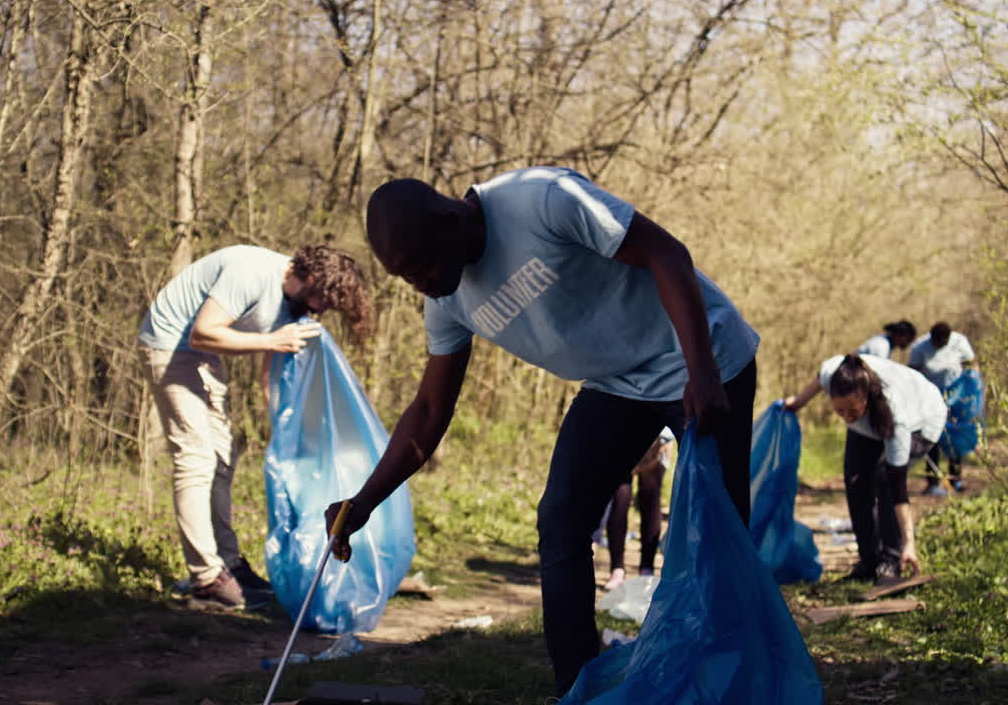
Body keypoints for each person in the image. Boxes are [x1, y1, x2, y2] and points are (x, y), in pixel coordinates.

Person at [324, 167, 761, 695]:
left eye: (422, 265)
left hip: (703, 357)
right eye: (406, 277)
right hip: (615, 384)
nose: (421, 283)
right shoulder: (446, 301)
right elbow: (430, 410)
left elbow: (665, 253)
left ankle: (732, 674)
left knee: (717, 526)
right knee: (562, 519)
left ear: (449, 218)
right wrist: (365, 500)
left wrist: (704, 372)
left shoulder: (541, 200)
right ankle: (577, 685)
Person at [137, 244, 372, 610]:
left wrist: (281, 424)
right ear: (308, 277)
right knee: (196, 458)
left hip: (203, 354)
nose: (319, 310)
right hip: (170, 346)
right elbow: (203, 332)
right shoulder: (250, 272)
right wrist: (270, 340)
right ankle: (205, 578)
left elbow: (270, 367)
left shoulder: (295, 304)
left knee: (222, 457)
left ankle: (227, 564)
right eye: (320, 299)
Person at [784, 353, 946, 582]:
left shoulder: (895, 415)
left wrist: (910, 543)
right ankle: (869, 561)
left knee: (884, 481)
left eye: (852, 411)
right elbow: (821, 376)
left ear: (866, 399)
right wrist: (798, 402)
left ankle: (892, 560)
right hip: (874, 420)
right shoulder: (836, 376)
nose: (847, 418)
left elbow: (898, 488)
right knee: (855, 480)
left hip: (923, 418)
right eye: (840, 411)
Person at [594, 427, 674, 590]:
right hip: (621, 434)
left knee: (650, 497)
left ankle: (647, 570)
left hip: (658, 437)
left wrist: (665, 437)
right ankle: (617, 569)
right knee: (620, 498)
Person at [908, 321, 977, 495]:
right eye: (936, 342)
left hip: (956, 399)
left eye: (942, 342)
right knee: (932, 440)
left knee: (955, 438)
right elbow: (911, 374)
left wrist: (972, 389)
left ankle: (956, 480)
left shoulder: (959, 342)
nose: (939, 345)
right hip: (929, 400)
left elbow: (971, 366)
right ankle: (932, 482)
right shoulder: (919, 348)